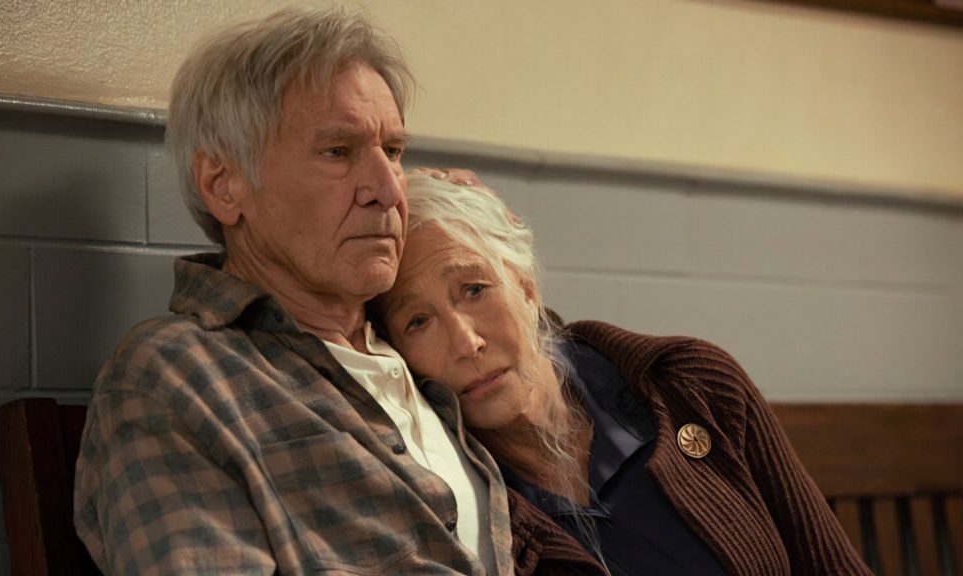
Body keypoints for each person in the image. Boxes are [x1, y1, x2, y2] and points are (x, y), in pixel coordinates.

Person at [74, 7, 520, 574]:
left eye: (393, 152)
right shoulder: (176, 376)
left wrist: (490, 242)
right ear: (225, 186)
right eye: (338, 152)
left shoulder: (416, 338)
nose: (386, 189)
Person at [372, 172, 874, 576]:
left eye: (474, 289)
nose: (465, 342)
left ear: (526, 288)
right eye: (418, 321)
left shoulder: (691, 385)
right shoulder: (453, 496)